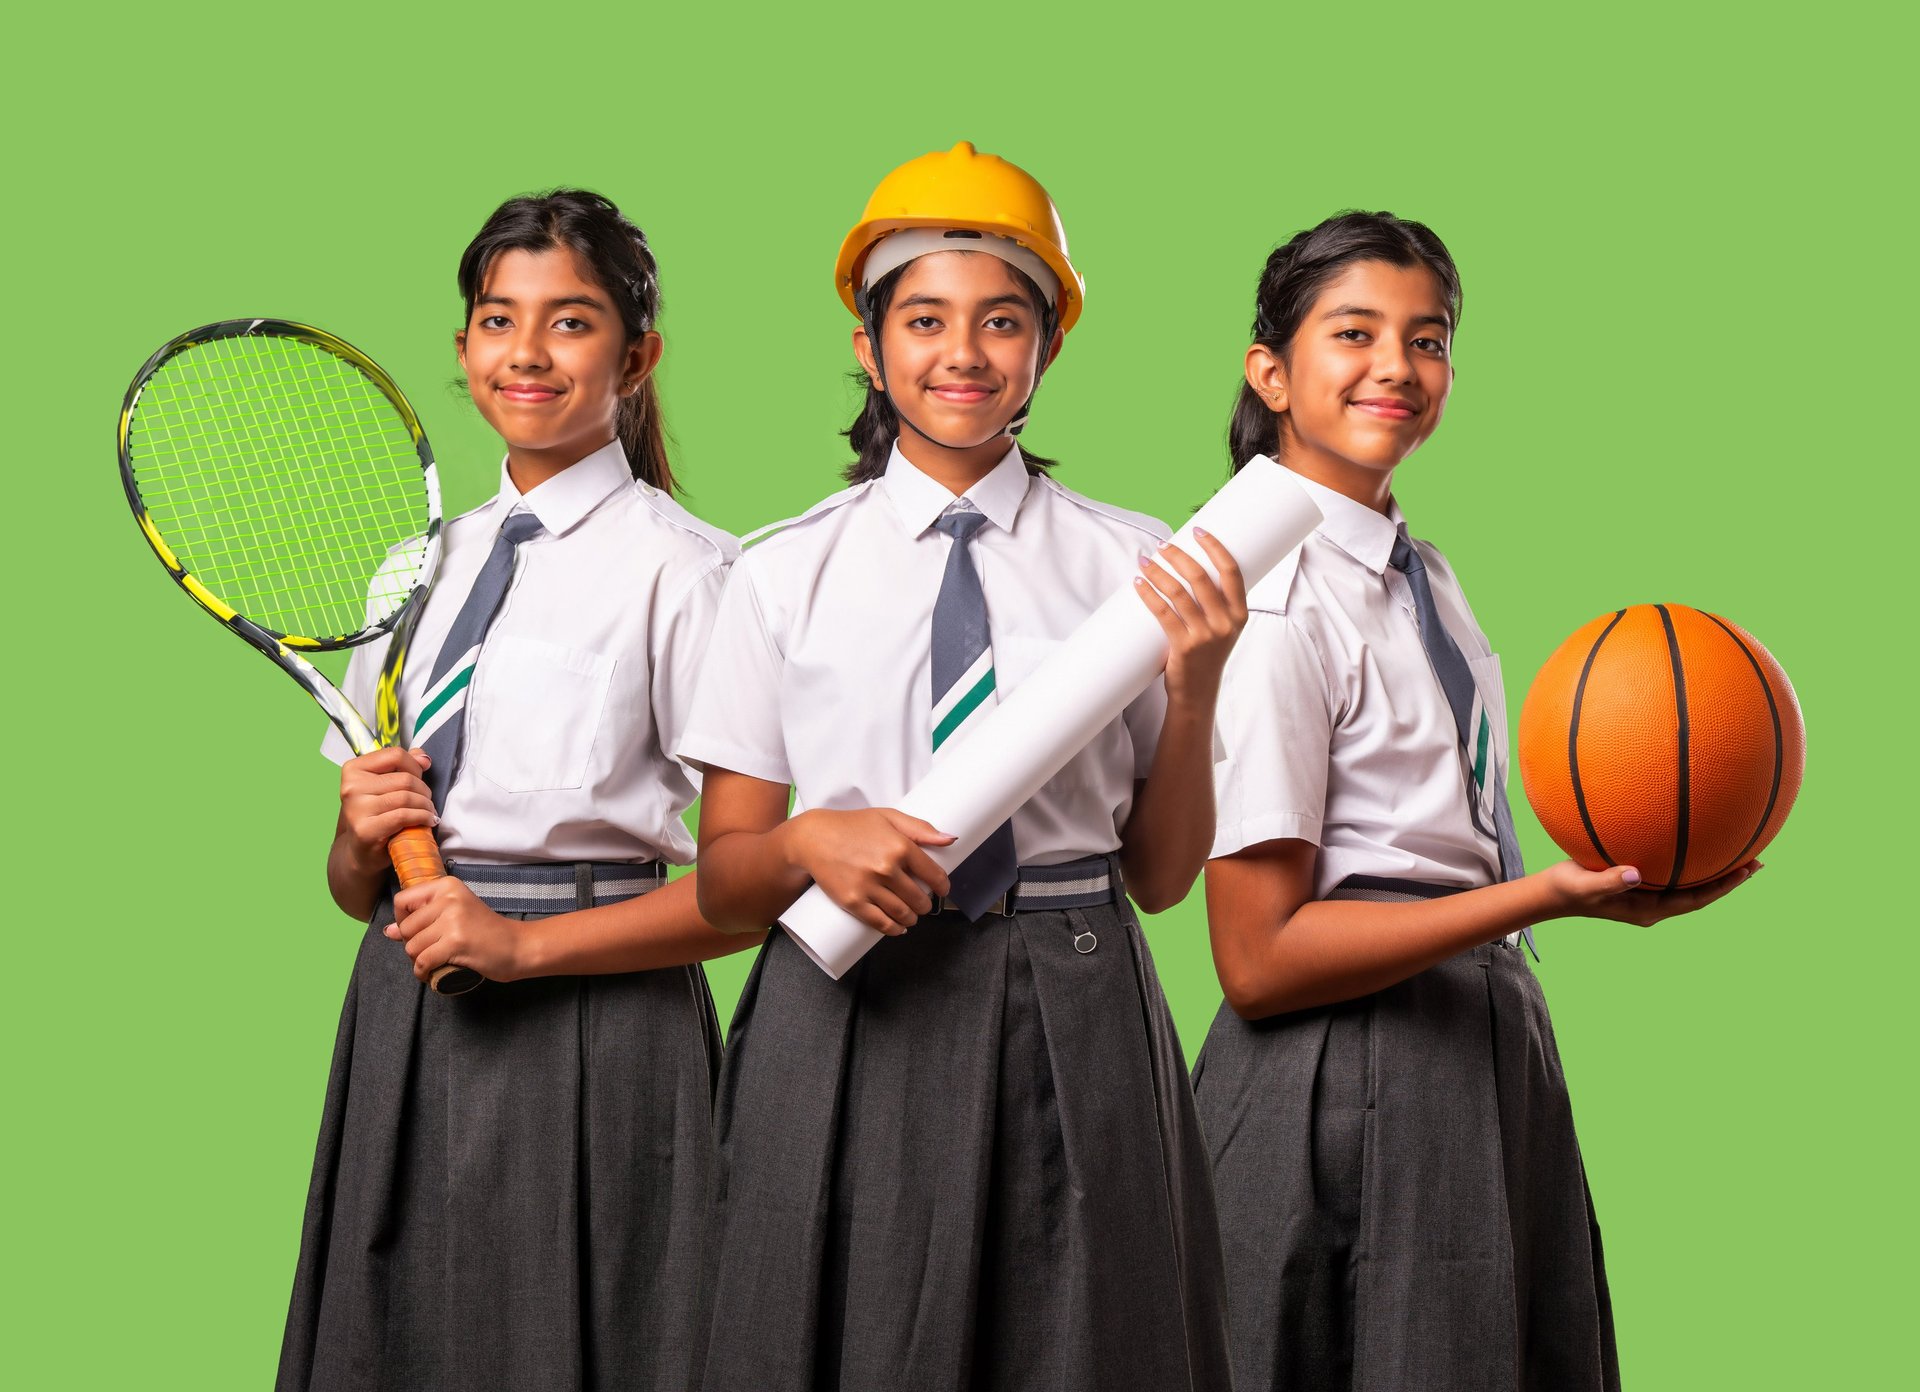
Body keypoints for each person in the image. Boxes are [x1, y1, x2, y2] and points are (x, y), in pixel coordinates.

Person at [678, 142, 1239, 1390]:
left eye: (1002, 321)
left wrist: (1195, 686)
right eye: (924, 320)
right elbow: (723, 883)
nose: (964, 355)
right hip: (848, 998)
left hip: (1078, 988)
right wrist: (809, 844)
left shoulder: (1137, 567)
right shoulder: (778, 575)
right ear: (872, 350)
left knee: (1094, 1344)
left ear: (1046, 346)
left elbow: (1160, 876)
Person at [1194, 210, 1756, 1391]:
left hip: (1484, 1038)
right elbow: (1256, 955)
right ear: (1272, 372)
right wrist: (1534, 899)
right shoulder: (1271, 599)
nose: (1398, 367)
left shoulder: (1422, 573)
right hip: (1343, 1065)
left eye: (1429, 337)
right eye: (1354, 333)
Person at [277, 188, 758, 1392]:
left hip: (599, 1023)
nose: (527, 354)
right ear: (464, 349)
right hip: (409, 1002)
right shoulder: (412, 569)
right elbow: (352, 888)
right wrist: (360, 836)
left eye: (572, 322)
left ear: (636, 357)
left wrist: (523, 948)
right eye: (499, 320)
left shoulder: (695, 574)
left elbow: (751, 894)